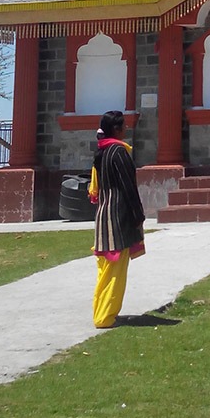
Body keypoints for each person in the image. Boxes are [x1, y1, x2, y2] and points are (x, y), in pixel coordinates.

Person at [89, 109, 146, 328]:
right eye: (124, 126)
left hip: (103, 215)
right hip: (117, 218)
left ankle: (100, 310)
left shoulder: (101, 153)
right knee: (115, 270)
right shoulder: (118, 153)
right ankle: (104, 316)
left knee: (104, 269)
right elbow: (128, 187)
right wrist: (138, 215)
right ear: (116, 129)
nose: (127, 129)